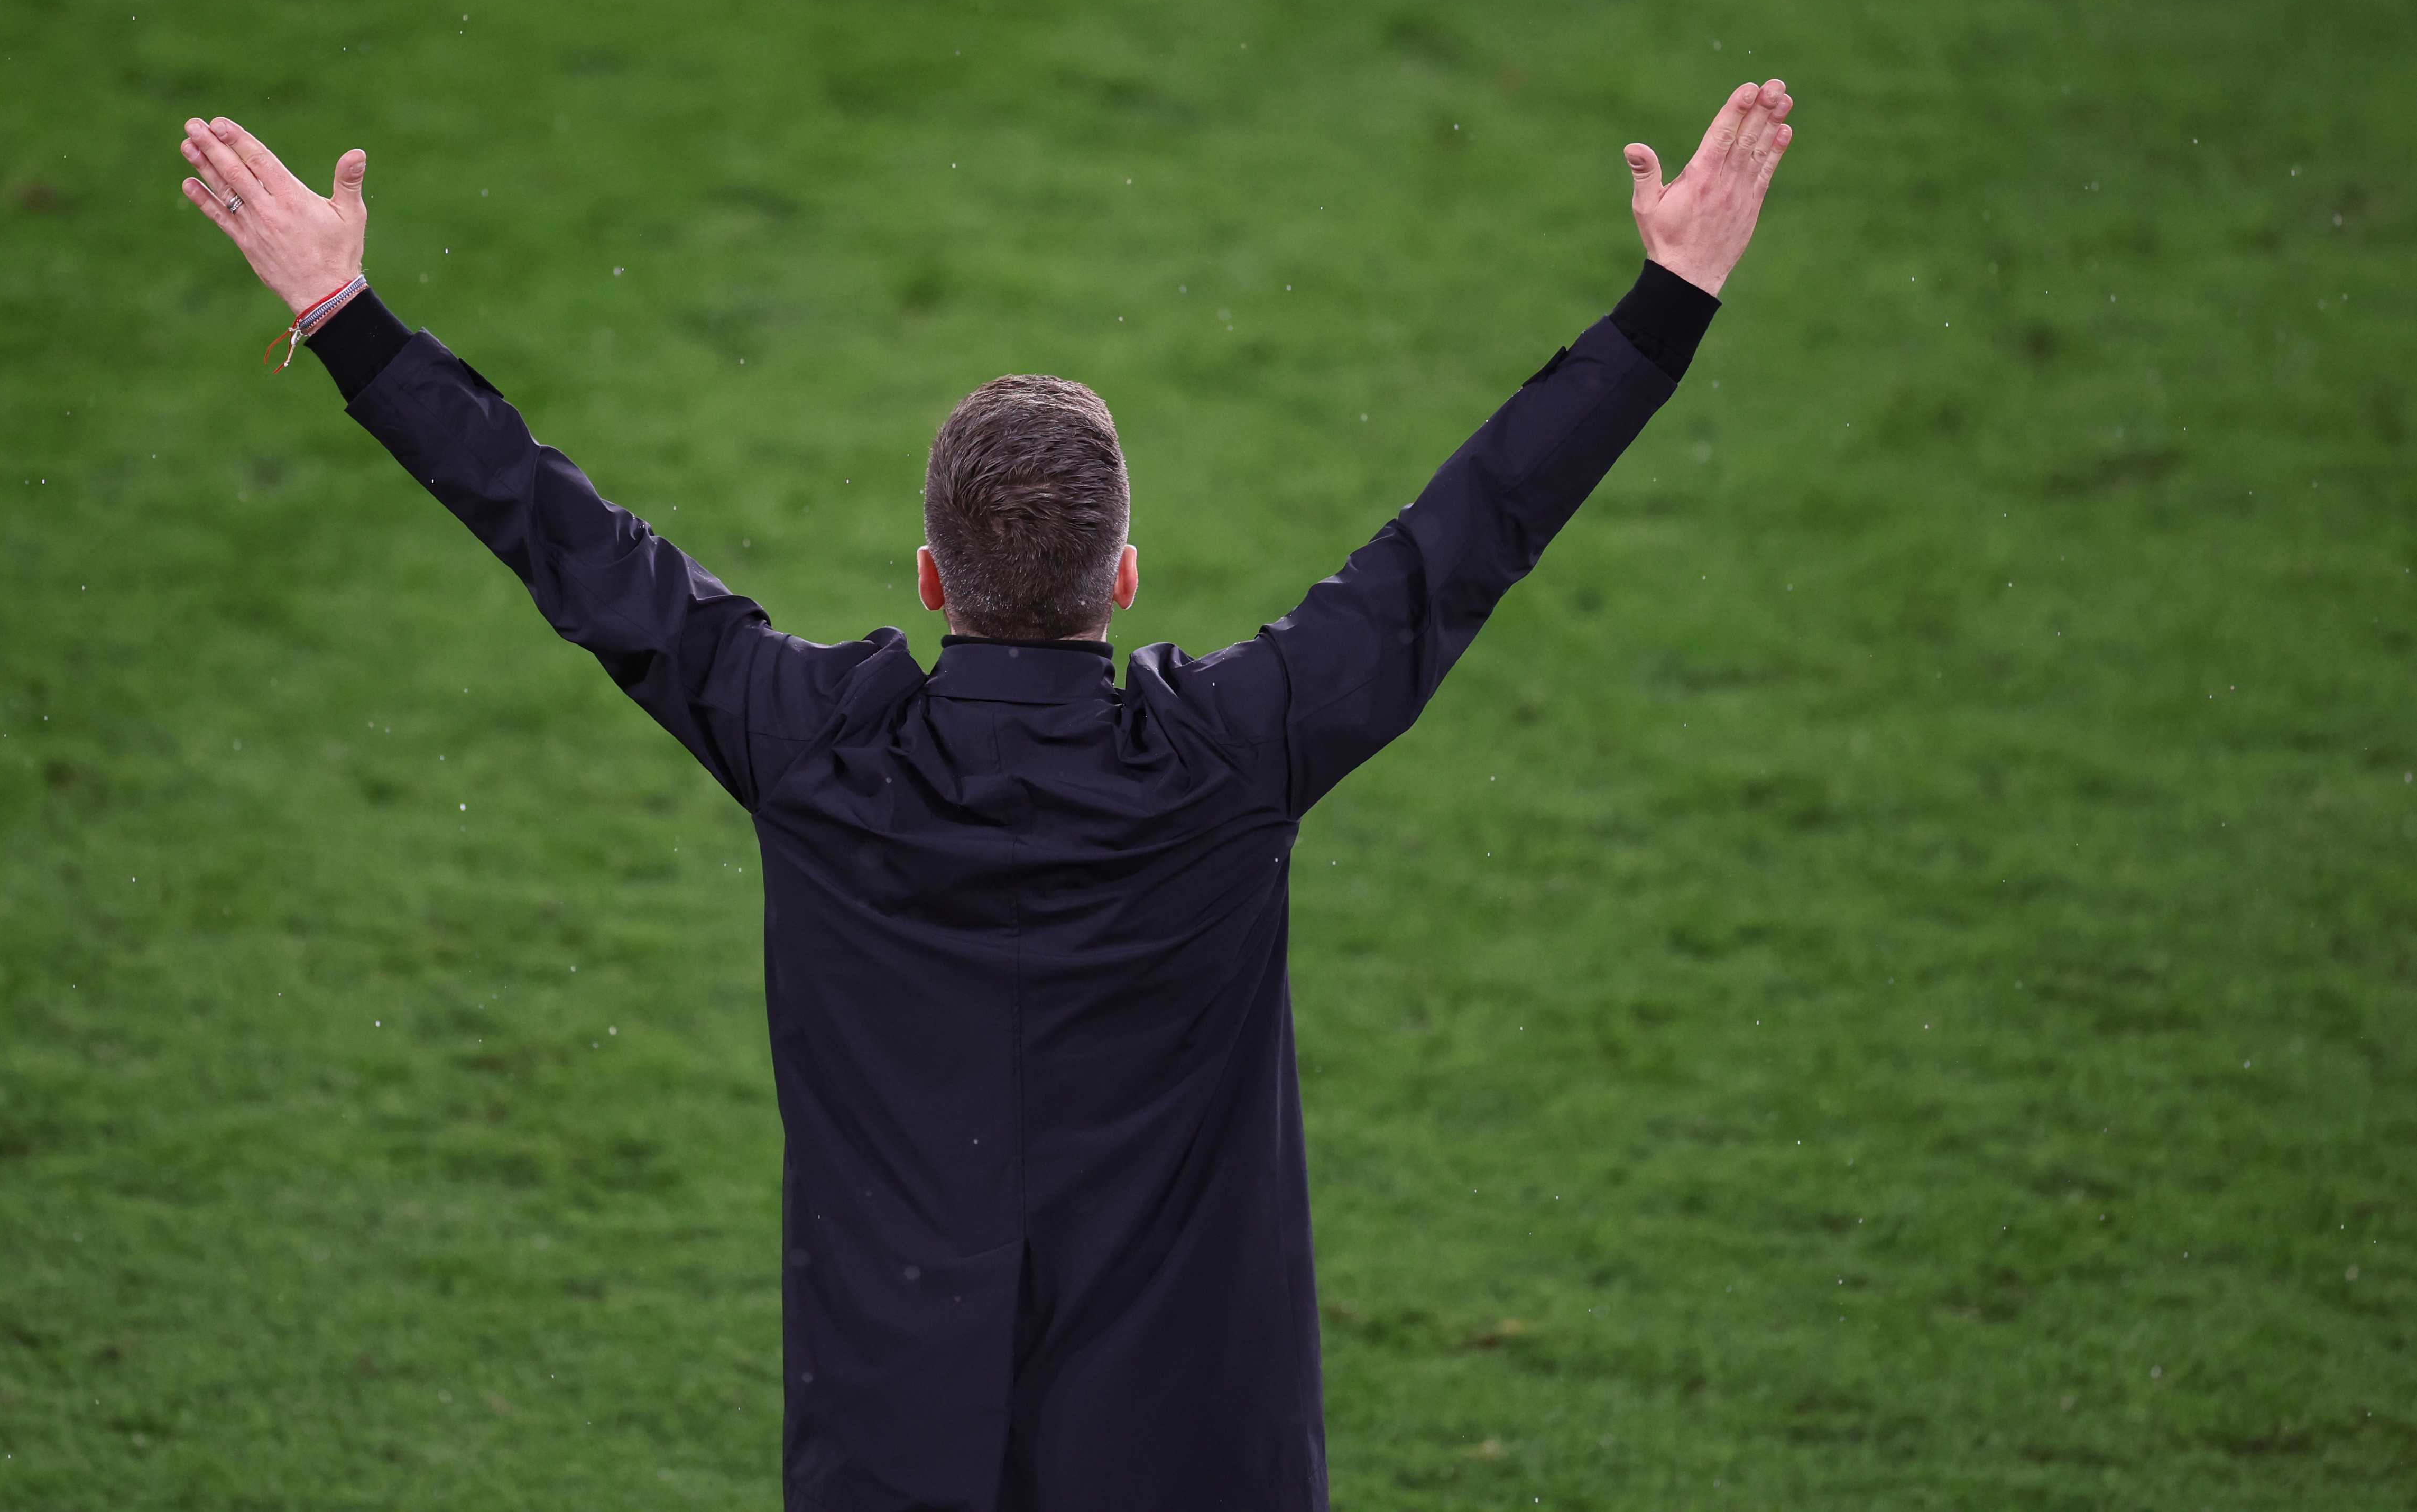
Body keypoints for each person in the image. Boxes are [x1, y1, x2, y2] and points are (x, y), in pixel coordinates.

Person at [178, 79, 1794, 1511]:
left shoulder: (806, 748)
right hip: (1193, 1454)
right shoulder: (1240, 757)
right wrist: (1669, 298)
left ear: (934, 579)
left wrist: (343, 309)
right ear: (1127, 577)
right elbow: (1471, 532)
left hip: (898, 1453)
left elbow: (562, 539)